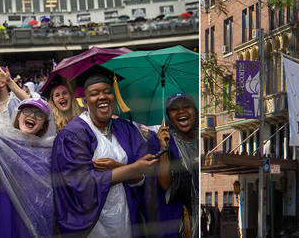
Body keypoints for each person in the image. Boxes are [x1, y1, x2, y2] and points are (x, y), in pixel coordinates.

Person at [51, 65, 159, 237]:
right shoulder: (73, 135)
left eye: (108, 92)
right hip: (92, 224)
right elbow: (80, 184)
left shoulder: (126, 129)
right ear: (85, 101)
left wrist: (117, 167)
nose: (102, 97)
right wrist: (132, 169)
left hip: (126, 215)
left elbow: (145, 174)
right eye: (94, 94)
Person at [0, 98, 57, 238]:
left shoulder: (48, 152)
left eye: (39, 114)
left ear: (43, 126)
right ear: (18, 116)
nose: (32, 116)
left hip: (36, 225)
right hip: (6, 219)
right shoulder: (1, 144)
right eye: (27, 111)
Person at [148, 93, 199, 238]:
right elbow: (165, 185)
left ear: (195, 111)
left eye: (186, 106)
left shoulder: (200, 140)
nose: (181, 111)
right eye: (174, 109)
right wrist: (163, 149)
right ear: (168, 116)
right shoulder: (157, 141)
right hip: (174, 218)